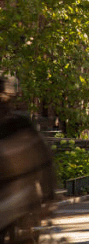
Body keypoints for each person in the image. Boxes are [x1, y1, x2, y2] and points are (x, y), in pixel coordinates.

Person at [0, 76, 55, 244]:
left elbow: (43, 161)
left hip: (19, 204)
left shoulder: (19, 125)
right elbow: (43, 161)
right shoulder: (20, 125)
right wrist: (48, 196)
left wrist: (48, 196)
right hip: (19, 202)